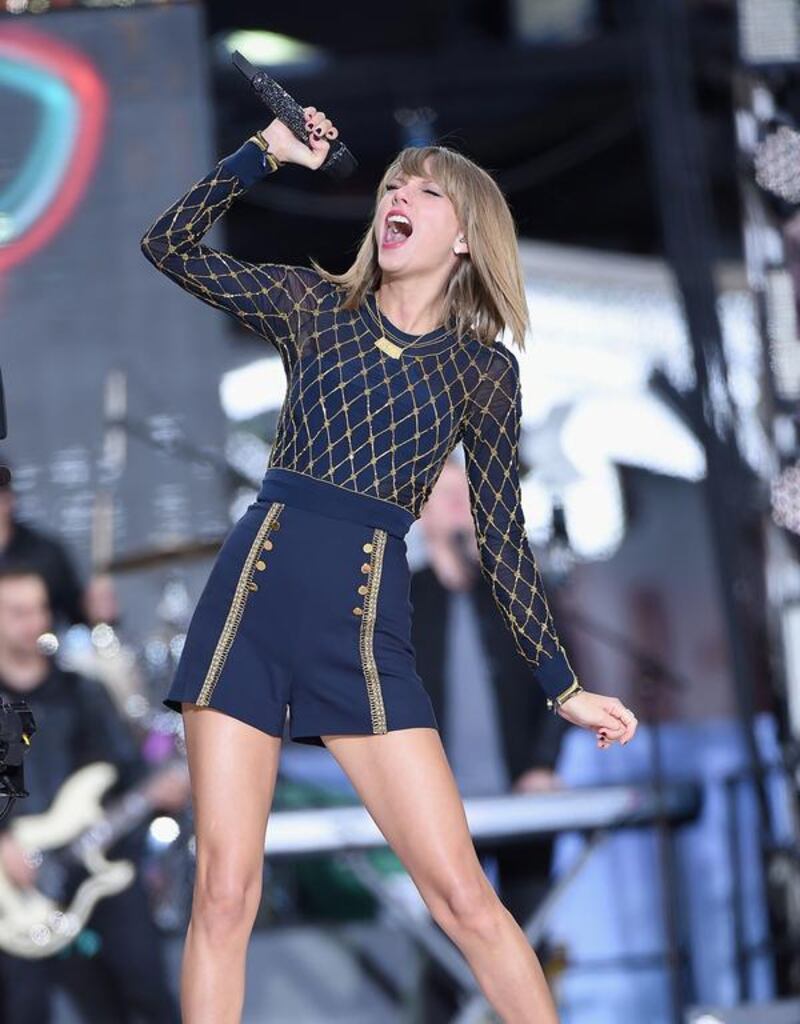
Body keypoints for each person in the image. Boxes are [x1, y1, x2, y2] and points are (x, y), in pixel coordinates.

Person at [139, 106, 639, 1024]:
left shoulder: (480, 373)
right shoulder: (311, 305)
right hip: (250, 606)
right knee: (223, 894)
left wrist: (562, 685)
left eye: (426, 190)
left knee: (465, 900)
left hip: (366, 634)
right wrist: (264, 155)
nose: (398, 195)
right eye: (392, 185)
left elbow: (504, 537)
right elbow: (165, 245)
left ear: (465, 236)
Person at [0, 565, 188, 1023]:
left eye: (40, 609)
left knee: (143, 992)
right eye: (18, 612)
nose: (34, 622)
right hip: (16, 884)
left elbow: (128, 772)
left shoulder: (83, 690)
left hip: (102, 864)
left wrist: (158, 791)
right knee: (24, 1007)